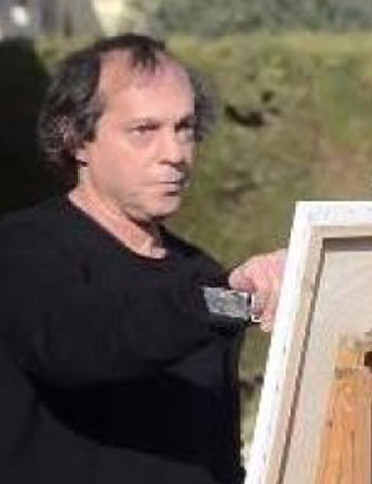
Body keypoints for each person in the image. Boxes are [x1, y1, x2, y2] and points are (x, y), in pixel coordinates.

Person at [0, 34, 285, 483]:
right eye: (144, 130)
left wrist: (242, 298)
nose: (175, 154)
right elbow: (79, 344)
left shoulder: (202, 274)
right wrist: (222, 299)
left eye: (185, 128)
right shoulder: (24, 248)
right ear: (76, 139)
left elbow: (219, 454)